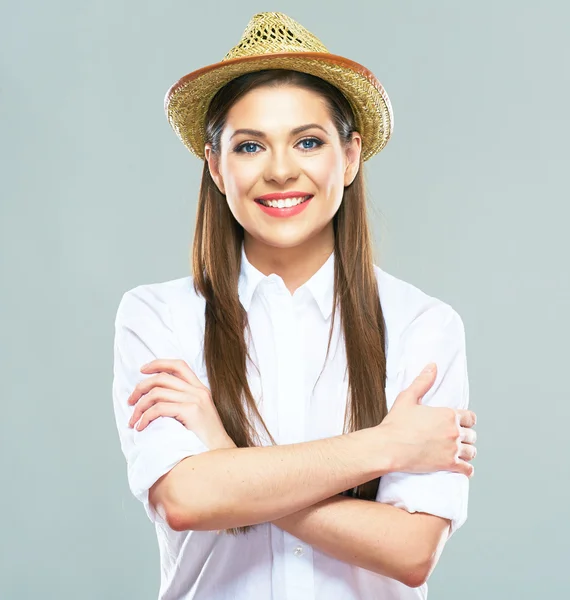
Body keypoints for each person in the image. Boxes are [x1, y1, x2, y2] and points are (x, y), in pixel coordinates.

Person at [111, 11, 478, 600]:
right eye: (250, 145)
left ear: (351, 156)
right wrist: (386, 445)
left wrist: (227, 459)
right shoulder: (159, 317)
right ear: (216, 165)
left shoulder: (422, 325)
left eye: (308, 141)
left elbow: (411, 553)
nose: (281, 170)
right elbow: (186, 500)